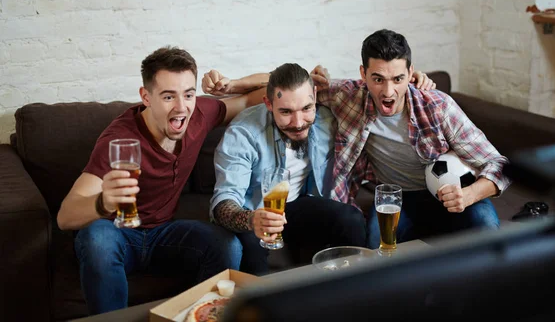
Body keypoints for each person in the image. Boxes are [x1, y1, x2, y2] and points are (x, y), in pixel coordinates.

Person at [56, 47, 266, 315]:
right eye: (168, 96)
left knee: (227, 246)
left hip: (164, 235)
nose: (181, 107)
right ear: (146, 97)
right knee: (96, 238)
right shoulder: (119, 141)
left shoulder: (199, 114)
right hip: (118, 234)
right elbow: (65, 216)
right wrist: (103, 203)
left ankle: (197, 317)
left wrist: (235, 84)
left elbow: (260, 97)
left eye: (188, 94)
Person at [311, 29, 511, 248]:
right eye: (378, 79)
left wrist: (469, 195)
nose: (388, 92)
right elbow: (289, 90)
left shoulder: (437, 106)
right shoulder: (348, 96)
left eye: (398, 79)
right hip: (397, 199)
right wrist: (310, 78)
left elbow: (500, 165)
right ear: (363, 73)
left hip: (453, 195)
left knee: (487, 229)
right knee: (375, 248)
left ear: (411, 73)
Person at [207, 63, 367, 275]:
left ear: (315, 96)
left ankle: (353, 294)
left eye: (306, 109)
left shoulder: (326, 118)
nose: (299, 122)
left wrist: (417, 83)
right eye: (286, 112)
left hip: (298, 204)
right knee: (252, 252)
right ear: (268, 103)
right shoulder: (243, 134)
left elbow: (375, 92)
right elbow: (223, 203)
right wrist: (251, 220)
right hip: (255, 212)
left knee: (352, 219)